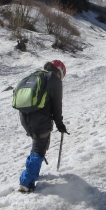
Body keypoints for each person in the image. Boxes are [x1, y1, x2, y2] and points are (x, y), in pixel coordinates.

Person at [18, 60, 68, 192]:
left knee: (38, 145)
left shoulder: (35, 75)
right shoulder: (53, 79)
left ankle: (33, 174)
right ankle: (26, 182)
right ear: (60, 72)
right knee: (39, 149)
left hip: (25, 117)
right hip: (40, 118)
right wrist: (60, 124)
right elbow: (57, 105)